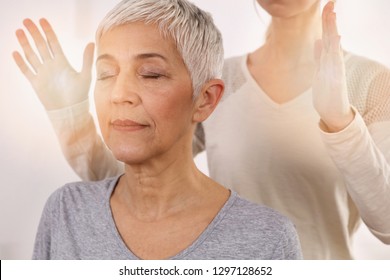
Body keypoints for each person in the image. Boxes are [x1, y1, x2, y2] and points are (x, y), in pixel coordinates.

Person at [13, 0, 390, 259]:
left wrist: (340, 123)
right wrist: (72, 115)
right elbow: (144, 182)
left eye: (151, 73)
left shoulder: (370, 83)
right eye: (108, 73)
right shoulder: (217, 78)